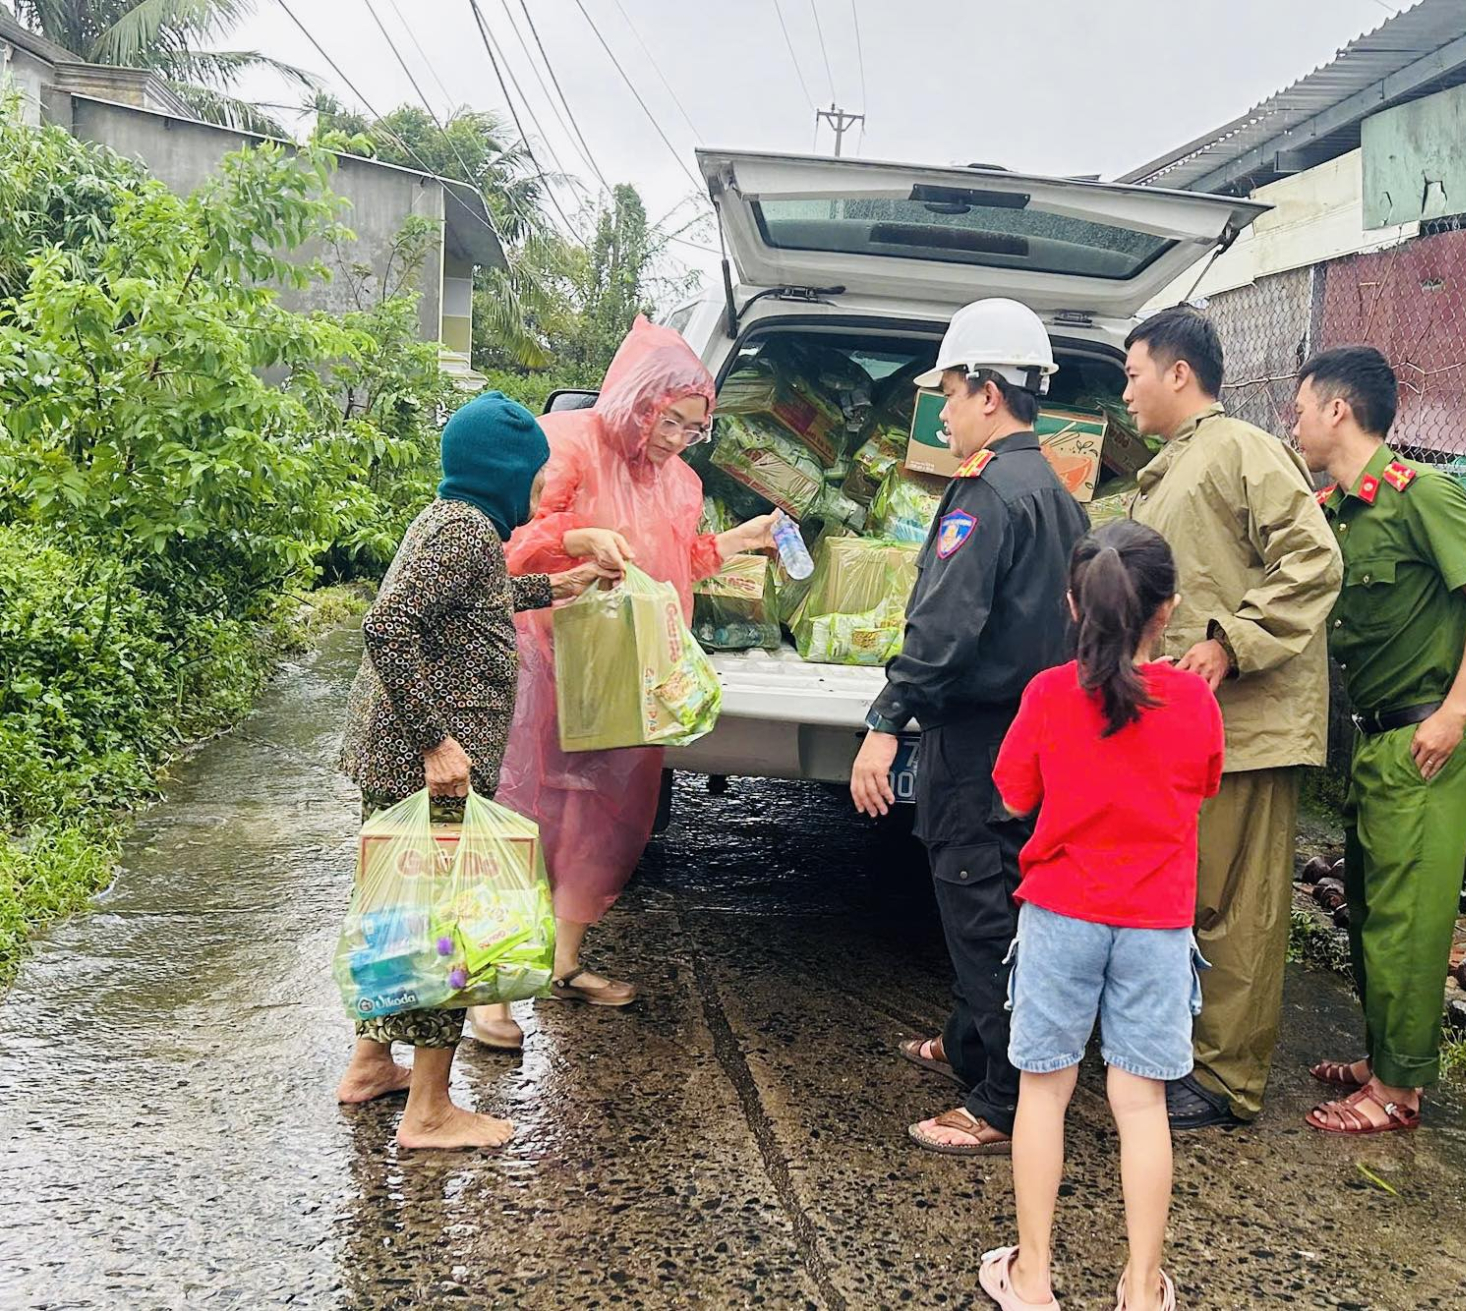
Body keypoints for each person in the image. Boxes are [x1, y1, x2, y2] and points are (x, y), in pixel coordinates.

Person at [469, 318, 776, 1045]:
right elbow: (509, 539)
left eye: (693, 427)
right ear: (637, 399)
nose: (676, 437)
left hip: (630, 668)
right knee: (521, 813)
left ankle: (562, 960)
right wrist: (578, 537)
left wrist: (737, 541)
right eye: (668, 419)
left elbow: (678, 559)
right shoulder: (567, 443)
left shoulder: (680, 483)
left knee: (603, 818)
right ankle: (488, 988)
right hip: (546, 658)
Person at [333, 391, 618, 1148]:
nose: (538, 492)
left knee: (396, 922)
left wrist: (556, 585)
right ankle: (429, 1109)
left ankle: (371, 1063)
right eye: (533, 478)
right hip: (429, 772)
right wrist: (436, 742)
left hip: (402, 764)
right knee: (442, 934)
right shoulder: (464, 531)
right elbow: (388, 625)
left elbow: (471, 603)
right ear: (503, 475)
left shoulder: (455, 524)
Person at [849, 297, 1088, 1156]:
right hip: (1034, 739)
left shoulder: (984, 494)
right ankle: (969, 1039)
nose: (941, 411)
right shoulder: (1056, 495)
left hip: (980, 741)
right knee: (998, 897)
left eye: (948, 393)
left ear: (989, 391)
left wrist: (885, 720)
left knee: (978, 900)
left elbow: (945, 632)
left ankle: (1002, 1098)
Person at [979, 522, 1223, 1311]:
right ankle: (1144, 1289)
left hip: (1060, 914)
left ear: (1074, 607)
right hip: (1155, 921)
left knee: (1044, 1093)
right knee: (1141, 1101)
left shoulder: (1050, 693)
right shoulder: (1193, 700)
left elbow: (1013, 795)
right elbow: (1204, 787)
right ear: (1168, 610)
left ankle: (1034, 1277)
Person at [1291, 346, 1466, 1135]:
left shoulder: (1423, 494)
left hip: (1430, 733)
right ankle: (1379, 1057)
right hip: (1381, 737)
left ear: (1337, 410)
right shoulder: (1340, 510)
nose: (1294, 423)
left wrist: (1455, 710)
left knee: (1410, 916)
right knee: (1369, 905)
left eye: (1299, 407)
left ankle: (1399, 1091)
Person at [1122, 307, 1342, 1130]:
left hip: (1247, 727)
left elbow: (1315, 559)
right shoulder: (1175, 464)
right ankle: (1189, 1054)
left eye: (1134, 372)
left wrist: (1229, 642)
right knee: (1195, 894)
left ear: (1179, 373)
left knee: (1237, 907)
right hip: (1194, 727)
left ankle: (1224, 1081)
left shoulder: (1240, 450)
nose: (1127, 391)